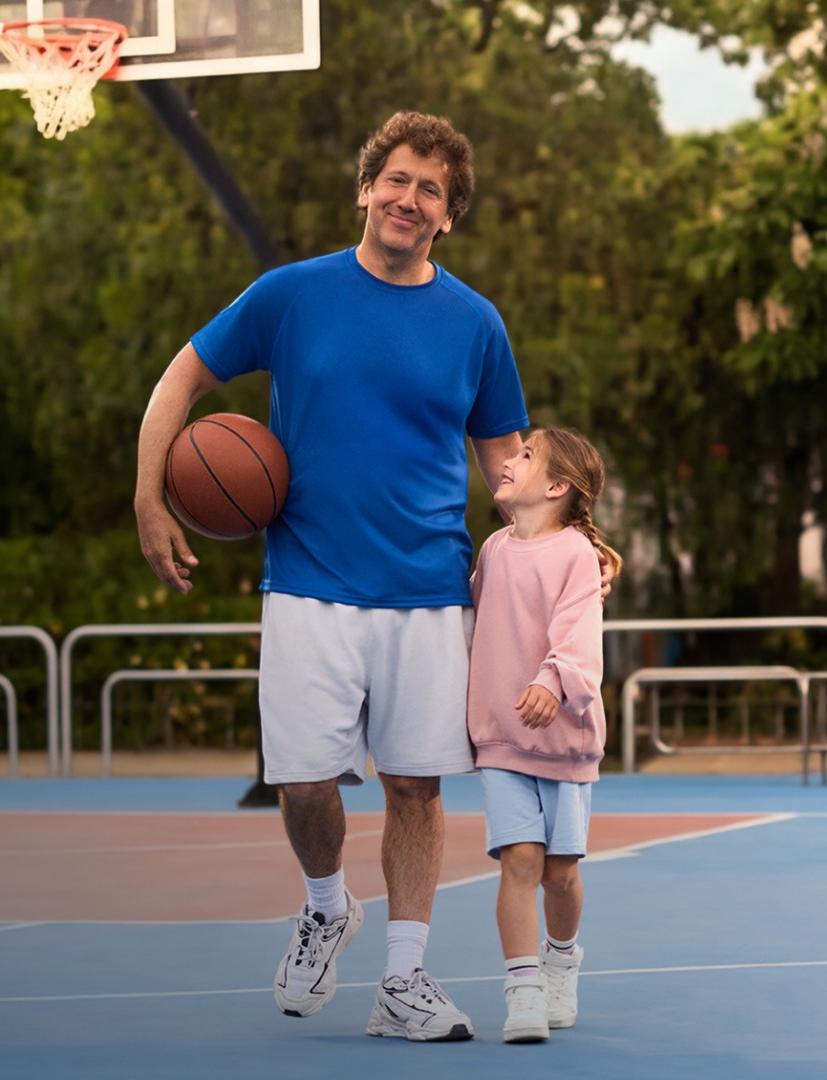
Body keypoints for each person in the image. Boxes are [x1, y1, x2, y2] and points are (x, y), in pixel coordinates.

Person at [135, 111, 528, 1041]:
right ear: (365, 190)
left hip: (429, 588)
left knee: (416, 789)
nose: (409, 197)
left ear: (449, 215)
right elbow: (179, 380)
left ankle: (405, 980)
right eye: (396, 179)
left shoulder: (476, 323)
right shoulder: (291, 295)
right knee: (305, 782)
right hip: (307, 580)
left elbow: (504, 461)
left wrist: (553, 548)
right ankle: (324, 904)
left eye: (431, 188)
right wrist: (150, 498)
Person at [467, 428, 619, 1043]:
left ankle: (561, 958)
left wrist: (554, 681)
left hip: (564, 740)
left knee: (560, 873)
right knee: (520, 861)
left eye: (526, 455)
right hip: (503, 738)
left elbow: (580, 633)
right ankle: (523, 988)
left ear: (556, 486)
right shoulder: (493, 549)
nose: (510, 458)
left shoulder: (576, 555)